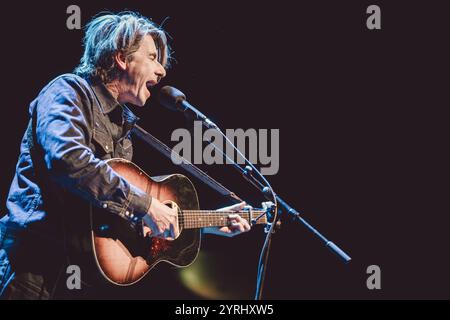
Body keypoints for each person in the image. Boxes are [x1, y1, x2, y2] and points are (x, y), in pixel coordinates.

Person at [0, 11, 250, 300]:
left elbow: (121, 217)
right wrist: (147, 206)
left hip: (81, 275)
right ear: (122, 58)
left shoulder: (123, 127)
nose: (162, 71)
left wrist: (208, 224)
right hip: (31, 267)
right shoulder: (68, 91)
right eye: (153, 57)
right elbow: (67, 159)